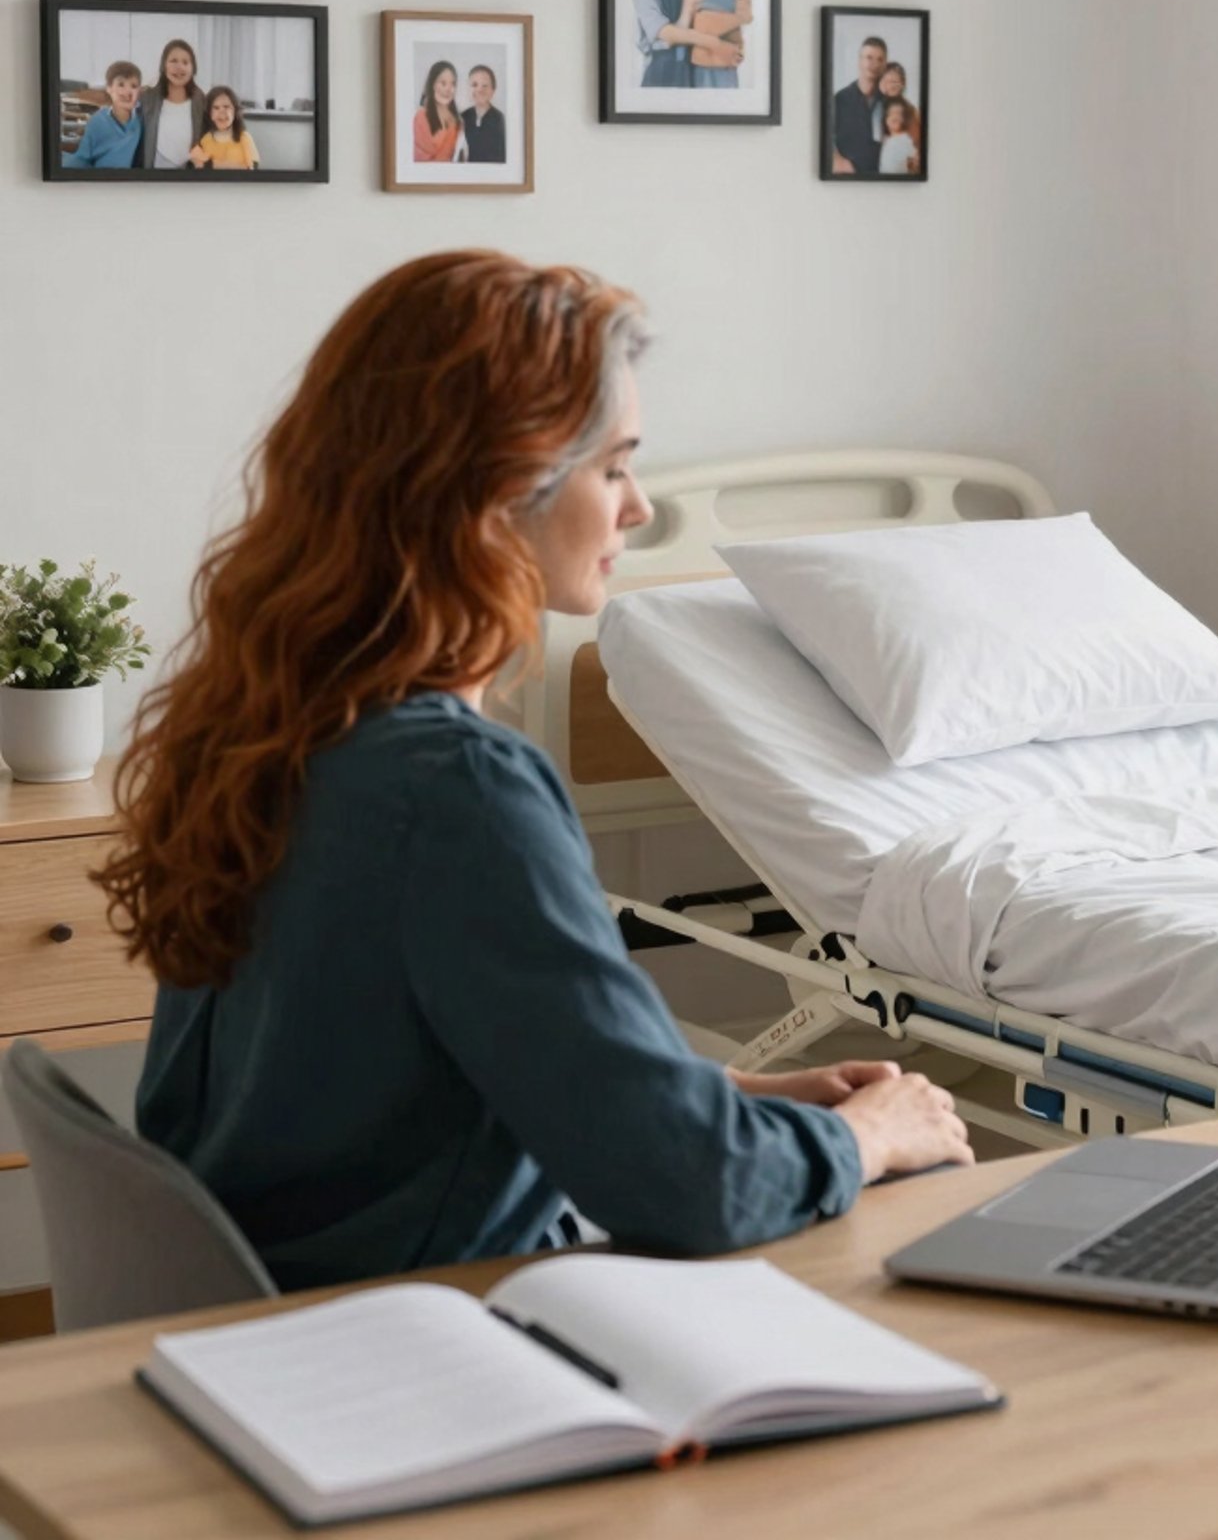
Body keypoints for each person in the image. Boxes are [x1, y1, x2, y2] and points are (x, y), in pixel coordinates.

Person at [98, 250, 971, 1291]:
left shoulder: (262, 725)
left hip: (267, 1305)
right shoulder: (461, 790)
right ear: (500, 492)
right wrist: (872, 1134)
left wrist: (728, 1095)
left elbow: (375, 1070)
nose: (638, 508)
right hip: (418, 1335)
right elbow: (692, 1194)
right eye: (614, 467)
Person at [138, 39, 208, 170]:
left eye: (185, 62)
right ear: (164, 66)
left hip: (189, 174)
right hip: (155, 172)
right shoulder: (148, 98)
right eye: (173, 61)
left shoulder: (200, 99)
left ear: (193, 69)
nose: (179, 67)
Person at [62, 61, 144, 168]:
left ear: (139, 91)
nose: (127, 91)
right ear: (109, 88)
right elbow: (82, 158)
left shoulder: (141, 121)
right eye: (121, 85)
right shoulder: (98, 121)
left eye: (133, 86)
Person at [830, 35, 887, 175]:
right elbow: (824, 138)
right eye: (869, 57)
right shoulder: (839, 99)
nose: (874, 64)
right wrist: (837, 160)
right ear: (859, 61)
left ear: (885, 65)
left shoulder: (890, 101)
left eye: (880, 59)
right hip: (846, 181)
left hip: (882, 181)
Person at [187, 87, 261, 170]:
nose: (221, 111)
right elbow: (200, 167)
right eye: (216, 108)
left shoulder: (244, 137)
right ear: (210, 114)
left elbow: (252, 168)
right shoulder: (205, 140)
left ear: (235, 111)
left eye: (226, 107)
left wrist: (212, 164)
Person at [412, 62, 464, 163]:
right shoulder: (421, 116)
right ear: (432, 85)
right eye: (443, 83)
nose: (448, 89)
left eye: (453, 84)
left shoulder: (458, 121)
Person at [458, 65, 506, 164]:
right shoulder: (462, 117)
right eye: (474, 85)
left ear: (493, 90)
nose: (480, 90)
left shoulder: (501, 120)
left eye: (485, 86)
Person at [879, 61, 923, 156]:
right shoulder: (879, 107)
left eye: (895, 82)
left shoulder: (910, 110)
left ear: (903, 83)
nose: (891, 86)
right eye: (888, 81)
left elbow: (917, 141)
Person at [878, 97, 919, 176]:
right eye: (891, 113)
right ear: (886, 119)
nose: (895, 117)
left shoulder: (906, 139)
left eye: (899, 114)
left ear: (904, 119)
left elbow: (915, 160)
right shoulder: (886, 140)